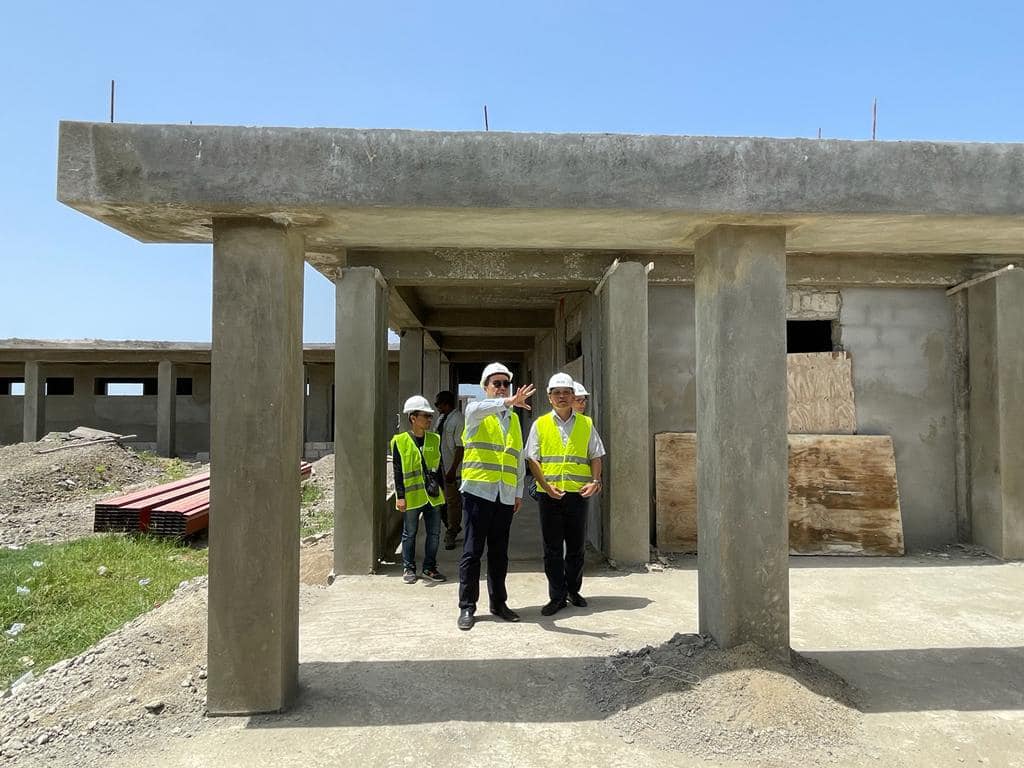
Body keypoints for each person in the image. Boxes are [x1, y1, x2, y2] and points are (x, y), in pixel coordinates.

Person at [457, 362, 536, 631]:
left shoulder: (513, 419)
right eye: (497, 384)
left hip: (503, 497)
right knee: (472, 552)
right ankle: (467, 607)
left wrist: (517, 493)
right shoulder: (475, 412)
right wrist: (508, 401)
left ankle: (498, 604)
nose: (502, 388)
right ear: (485, 388)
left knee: (499, 554)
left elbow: (517, 460)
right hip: (478, 493)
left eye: (506, 384)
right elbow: (477, 408)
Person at [525, 372, 605, 616]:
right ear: (549, 398)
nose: (561, 397)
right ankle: (557, 596)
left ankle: (573, 590)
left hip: (578, 495)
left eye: (566, 393)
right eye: (556, 393)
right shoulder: (540, 424)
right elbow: (533, 458)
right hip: (549, 495)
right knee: (552, 548)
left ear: (573, 396)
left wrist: (595, 481)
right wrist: (546, 486)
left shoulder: (586, 424)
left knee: (576, 547)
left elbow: (596, 455)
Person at [391, 395, 447, 585]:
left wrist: (444, 493)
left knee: (434, 534)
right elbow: (398, 471)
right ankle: (409, 568)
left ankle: (429, 568)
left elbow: (439, 468)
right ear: (413, 418)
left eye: (431, 416)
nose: (430, 420)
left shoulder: (435, 439)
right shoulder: (400, 441)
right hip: (412, 497)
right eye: (426, 416)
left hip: (433, 496)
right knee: (410, 533)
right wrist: (400, 497)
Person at [433, 390, 465, 550]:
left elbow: (461, 447)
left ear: (447, 404)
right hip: (439, 466)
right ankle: (452, 525)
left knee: (453, 502)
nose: (438, 409)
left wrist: (452, 469)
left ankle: (451, 531)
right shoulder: (442, 419)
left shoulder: (458, 419)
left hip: (451, 468)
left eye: (439, 405)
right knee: (440, 501)